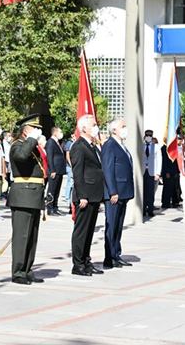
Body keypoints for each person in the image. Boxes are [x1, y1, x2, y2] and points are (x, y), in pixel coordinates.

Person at [7, 114, 46, 285]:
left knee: (32, 236)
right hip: (23, 195)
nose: (38, 132)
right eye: (34, 129)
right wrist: (32, 140)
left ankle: (28, 269)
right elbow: (21, 157)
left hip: (34, 194)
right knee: (22, 236)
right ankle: (18, 272)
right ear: (25, 132)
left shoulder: (31, 146)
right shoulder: (17, 146)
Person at [70, 115, 105, 277]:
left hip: (94, 194)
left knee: (89, 231)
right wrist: (82, 195)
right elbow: (77, 173)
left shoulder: (91, 146)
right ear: (84, 128)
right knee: (81, 232)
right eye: (93, 125)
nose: (96, 127)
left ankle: (86, 261)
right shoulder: (78, 146)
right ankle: (78, 264)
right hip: (85, 195)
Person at [101, 119, 134, 270]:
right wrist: (112, 191)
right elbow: (108, 170)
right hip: (115, 193)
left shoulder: (121, 145)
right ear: (114, 130)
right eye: (123, 126)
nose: (125, 129)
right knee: (112, 225)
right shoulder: (109, 145)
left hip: (123, 192)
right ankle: (109, 257)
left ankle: (116, 254)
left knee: (119, 226)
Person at [45, 127, 66, 216]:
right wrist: (52, 170)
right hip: (54, 170)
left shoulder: (57, 143)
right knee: (52, 190)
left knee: (57, 190)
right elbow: (49, 157)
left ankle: (55, 207)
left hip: (59, 170)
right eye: (60, 131)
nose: (61, 133)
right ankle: (50, 208)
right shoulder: (50, 142)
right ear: (55, 132)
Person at [141, 130, 162, 219]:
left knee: (150, 192)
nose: (148, 137)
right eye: (147, 135)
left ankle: (150, 209)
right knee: (143, 191)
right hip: (143, 171)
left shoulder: (156, 147)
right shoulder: (141, 146)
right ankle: (142, 209)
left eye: (150, 135)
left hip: (152, 172)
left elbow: (159, 160)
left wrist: (158, 173)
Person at [160, 138, 180, 209]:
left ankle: (175, 202)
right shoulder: (164, 148)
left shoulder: (174, 148)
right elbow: (164, 161)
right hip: (167, 172)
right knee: (167, 188)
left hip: (174, 171)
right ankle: (165, 202)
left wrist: (177, 171)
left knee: (175, 187)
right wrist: (166, 172)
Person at [62, 132, 75, 204]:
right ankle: (67, 197)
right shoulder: (69, 143)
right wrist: (71, 165)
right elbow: (67, 156)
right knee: (70, 182)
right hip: (70, 166)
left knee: (71, 182)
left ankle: (68, 196)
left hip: (71, 166)